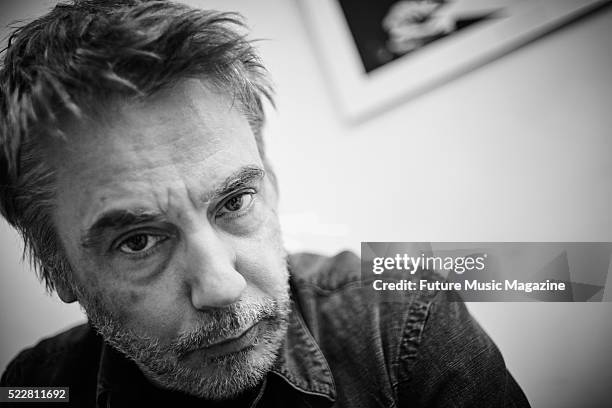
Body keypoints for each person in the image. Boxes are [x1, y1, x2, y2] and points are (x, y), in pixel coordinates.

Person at [0, 1, 530, 407]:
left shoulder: (404, 325)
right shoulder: (34, 388)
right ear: (56, 267)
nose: (223, 287)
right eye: (138, 241)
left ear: (270, 183)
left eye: (235, 200)